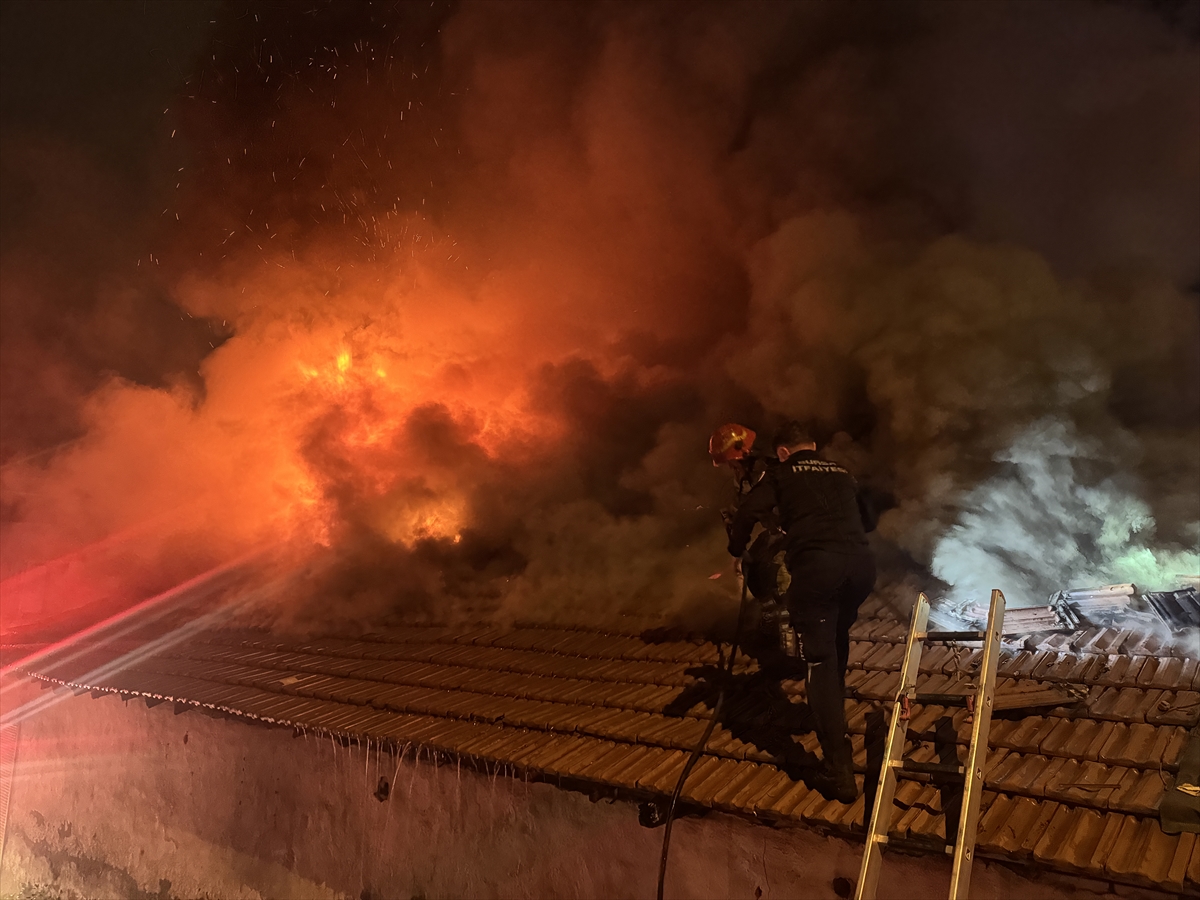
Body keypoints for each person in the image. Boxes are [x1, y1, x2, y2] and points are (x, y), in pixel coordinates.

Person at [725, 420, 877, 803]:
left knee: (820, 662)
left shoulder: (779, 473)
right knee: (837, 643)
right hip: (861, 568)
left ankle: (839, 774)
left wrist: (735, 550)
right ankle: (832, 715)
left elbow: (746, 513)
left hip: (818, 571)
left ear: (782, 452)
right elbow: (869, 519)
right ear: (813, 446)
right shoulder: (841, 471)